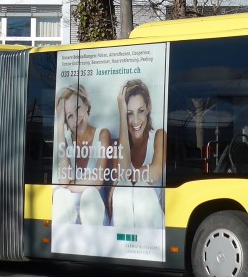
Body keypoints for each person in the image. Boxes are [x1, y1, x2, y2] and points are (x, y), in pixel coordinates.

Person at [52, 84, 110, 226]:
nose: (76, 118)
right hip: (70, 217)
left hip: (96, 217)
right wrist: (59, 128)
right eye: (69, 116)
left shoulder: (102, 134)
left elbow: (97, 180)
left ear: (86, 104)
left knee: (90, 193)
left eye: (77, 109)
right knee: (59, 195)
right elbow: (64, 179)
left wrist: (68, 186)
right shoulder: (65, 142)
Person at [111, 78, 165, 228]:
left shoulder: (159, 136)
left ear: (148, 108)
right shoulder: (118, 144)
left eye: (140, 111)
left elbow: (154, 173)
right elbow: (122, 175)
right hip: (124, 223)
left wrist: (130, 177)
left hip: (152, 224)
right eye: (129, 113)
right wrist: (122, 116)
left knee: (141, 188)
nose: (135, 120)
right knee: (123, 187)